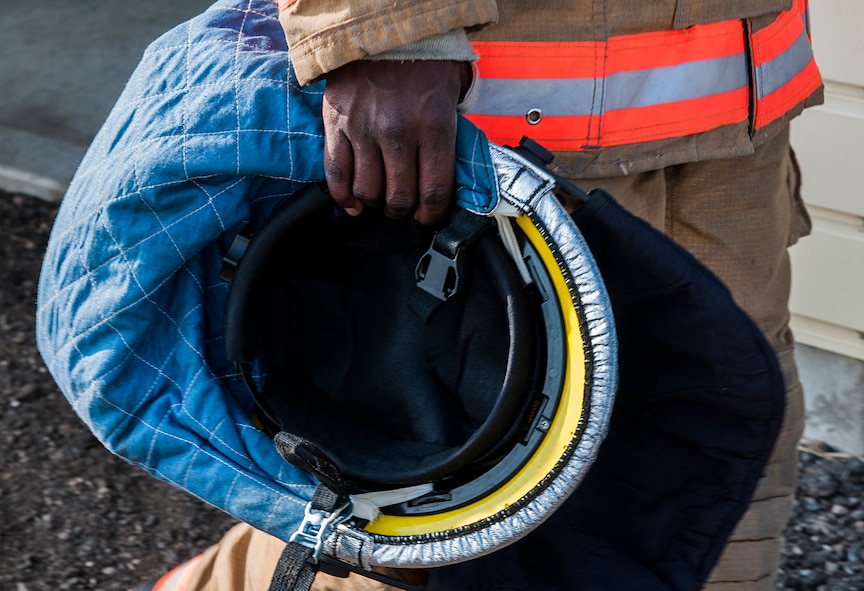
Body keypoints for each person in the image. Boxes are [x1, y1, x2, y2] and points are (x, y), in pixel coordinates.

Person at [115, 0, 819, 589]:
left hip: (727, 156)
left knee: (708, 487)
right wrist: (383, 31)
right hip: (481, 160)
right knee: (413, 525)